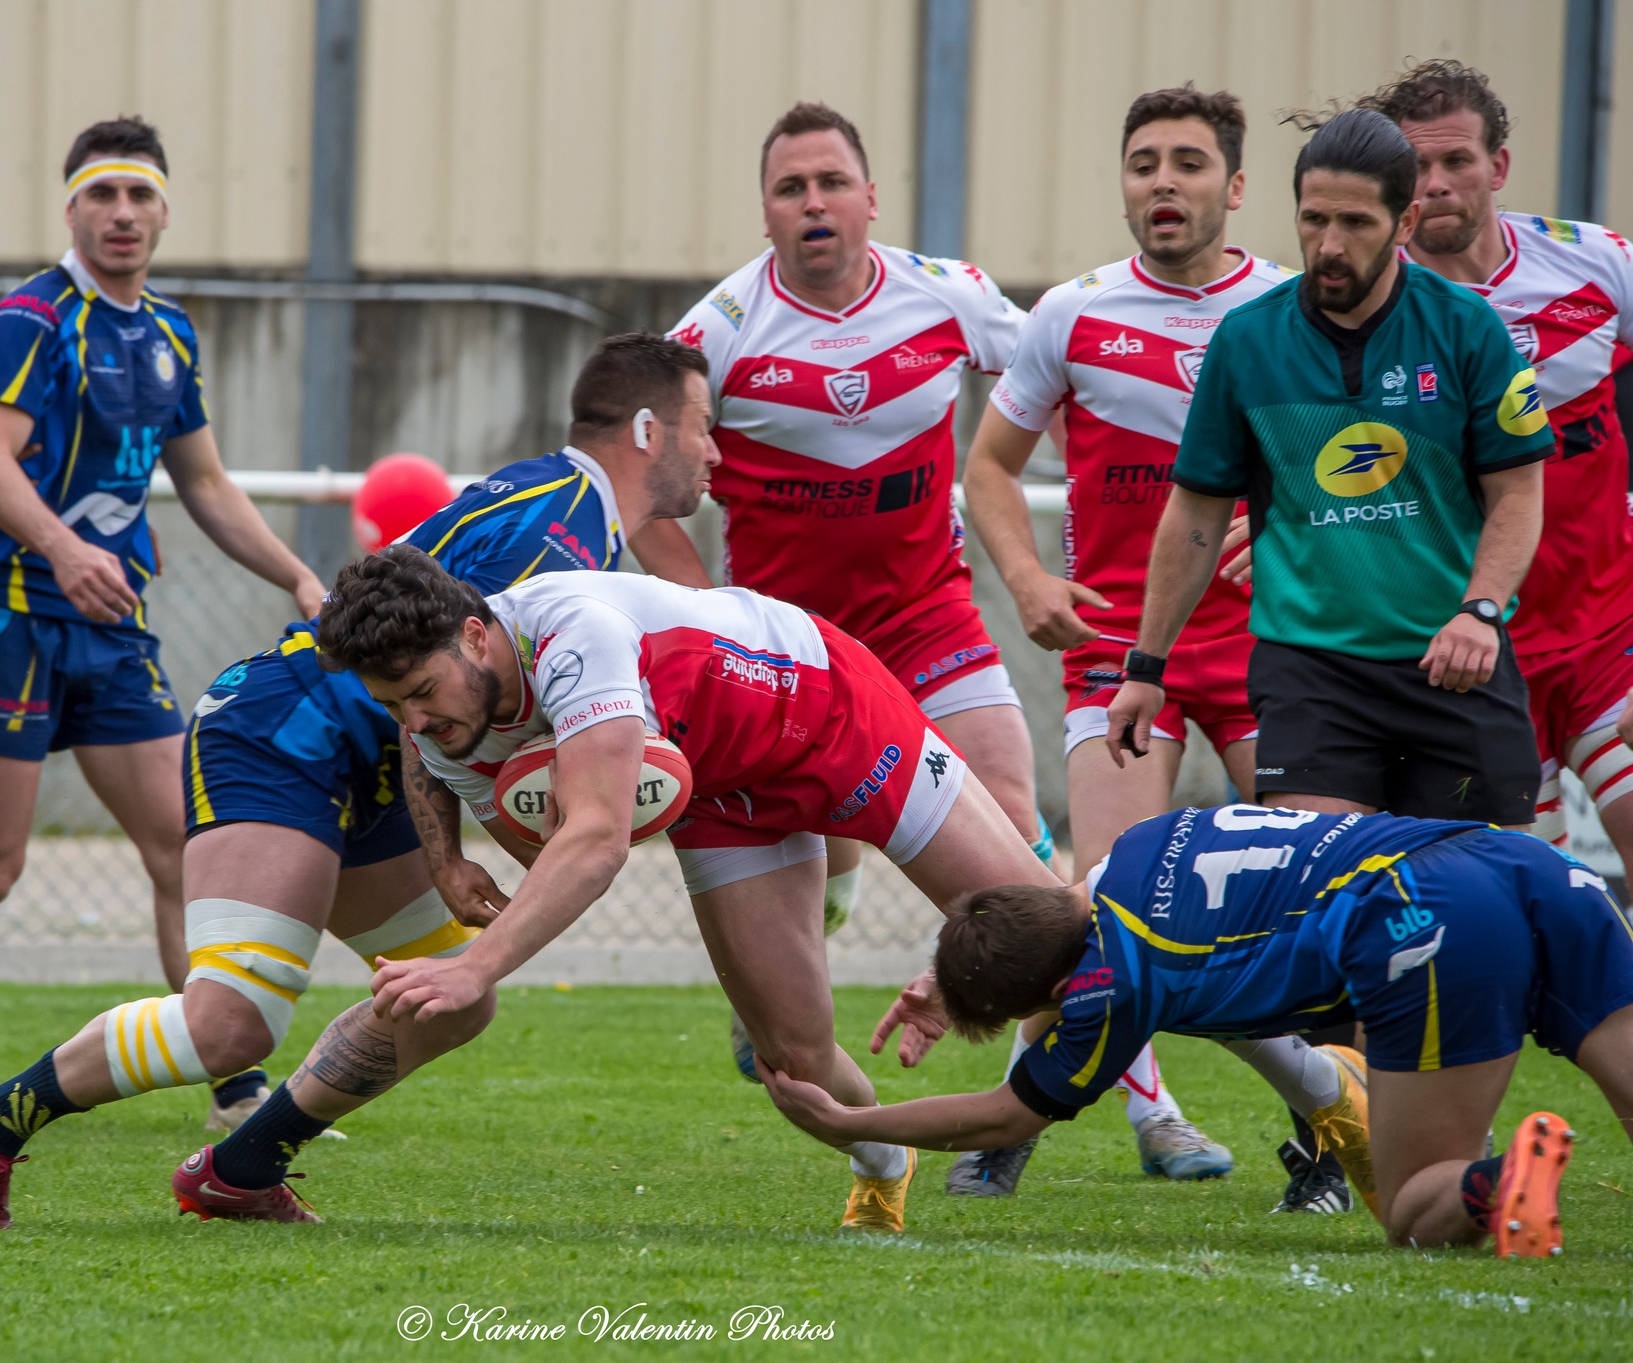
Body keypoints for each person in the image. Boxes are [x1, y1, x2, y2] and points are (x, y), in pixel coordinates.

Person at [0, 333, 719, 1228]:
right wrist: (458, 848)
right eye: (703, 426)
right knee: (231, 1025)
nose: (715, 451)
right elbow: (423, 683)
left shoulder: (574, 516)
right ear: (648, 430)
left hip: (373, 757)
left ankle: (240, 1167)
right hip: (285, 730)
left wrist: (460, 846)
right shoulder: (555, 520)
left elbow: (431, 702)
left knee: (447, 996)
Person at [114, 548, 1053, 1235]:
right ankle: (885, 1165)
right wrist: (445, 859)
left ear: (475, 634)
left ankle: (1115, 1040)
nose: (416, 718)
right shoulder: (450, 712)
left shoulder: (576, 635)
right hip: (723, 796)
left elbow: (596, 841)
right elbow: (460, 778)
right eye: (391, 701)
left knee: (1052, 935)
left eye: (422, 689)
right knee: (795, 1062)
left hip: (837, 718)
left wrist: (474, 967)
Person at [0, 117, 326, 1127]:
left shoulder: (171, 333)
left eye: (140, 195)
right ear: (70, 209)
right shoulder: (33, 317)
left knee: (184, 841)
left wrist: (297, 576)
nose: (122, 213)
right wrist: (64, 548)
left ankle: (233, 1085)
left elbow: (204, 482)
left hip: (109, 624)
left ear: (165, 212)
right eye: (102, 194)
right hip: (3, 610)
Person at [964, 85, 1328, 1201]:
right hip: (1120, 654)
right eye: (1142, 163)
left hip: (1273, 649)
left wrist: (1288, 522)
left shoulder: (1290, 307)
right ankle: (1037, 1119)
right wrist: (1028, 580)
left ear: (1235, 185)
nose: (1161, 182)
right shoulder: (1070, 313)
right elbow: (987, 468)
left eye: (1186, 162)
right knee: (1102, 899)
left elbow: (1357, 462)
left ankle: (1329, 1144)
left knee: (1318, 898)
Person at [635, 100, 1049, 1083]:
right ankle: (808, 937)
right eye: (791, 189)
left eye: (830, 183)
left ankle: (1051, 1103)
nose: (813, 202)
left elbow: (1058, 381)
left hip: (926, 616)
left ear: (869, 197)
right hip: (790, 650)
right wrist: (707, 614)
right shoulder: (716, 332)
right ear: (765, 214)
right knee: (813, 864)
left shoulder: (949, 295)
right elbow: (639, 491)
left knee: (1016, 837)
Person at [761, 803, 1633, 1257]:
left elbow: (1006, 1114)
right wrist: (958, 975)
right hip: (1514, 857)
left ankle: (1502, 1179)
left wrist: (849, 1119)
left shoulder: (1112, 980)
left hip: (1421, 915)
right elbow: (1048, 932)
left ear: (1059, 989)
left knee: (1415, 1209)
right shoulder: (1134, 848)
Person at [1106, 110, 1552, 834]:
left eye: (1356, 223)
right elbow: (1195, 515)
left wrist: (1481, 610)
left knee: (1473, 889)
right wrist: (1145, 667)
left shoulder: (1468, 329)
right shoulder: (1247, 340)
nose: (1330, 246)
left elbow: (1519, 493)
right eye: (1314, 220)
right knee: (1322, 873)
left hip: (1454, 663)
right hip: (1312, 674)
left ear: (1405, 222)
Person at [1359, 60, 1633, 869]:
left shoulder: (1595, 261)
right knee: (1528, 899)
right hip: (1469, 662)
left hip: (1608, 634)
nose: (1436, 183)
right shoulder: (1365, 311)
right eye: (1417, 166)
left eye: (1457, 160)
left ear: (1498, 165)